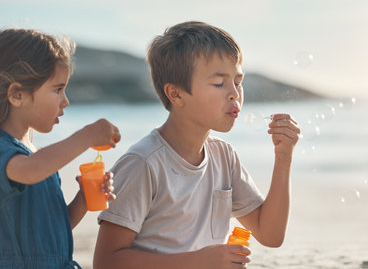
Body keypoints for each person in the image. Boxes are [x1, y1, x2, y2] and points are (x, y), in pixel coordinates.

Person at [94, 21, 300, 269]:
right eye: (219, 83)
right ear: (177, 94)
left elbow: (270, 235)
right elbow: (106, 262)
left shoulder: (224, 156)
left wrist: (284, 156)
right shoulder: (144, 163)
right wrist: (198, 261)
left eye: (238, 81)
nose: (235, 93)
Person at [0, 28, 121, 269]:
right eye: (57, 89)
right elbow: (31, 170)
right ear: (17, 94)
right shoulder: (11, 154)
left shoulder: (35, 155)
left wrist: (83, 201)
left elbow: (52, 230)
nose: (65, 101)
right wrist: (87, 135)